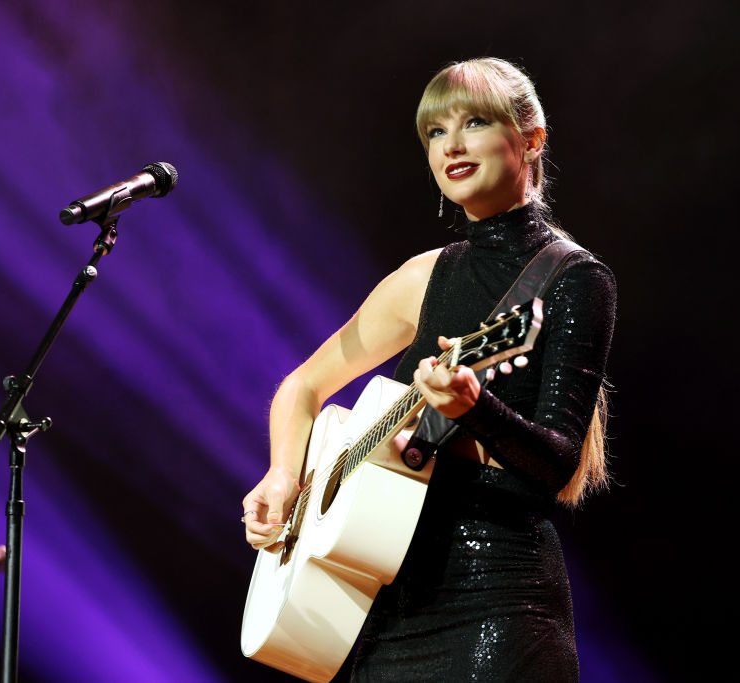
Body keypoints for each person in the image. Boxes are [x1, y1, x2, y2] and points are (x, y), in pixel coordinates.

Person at [242, 57, 617, 682]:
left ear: (531, 138)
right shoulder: (421, 277)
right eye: (435, 133)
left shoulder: (575, 279)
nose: (452, 144)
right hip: (384, 607)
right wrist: (283, 476)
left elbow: (555, 462)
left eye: (473, 121)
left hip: (496, 602)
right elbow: (302, 387)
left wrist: (474, 407)